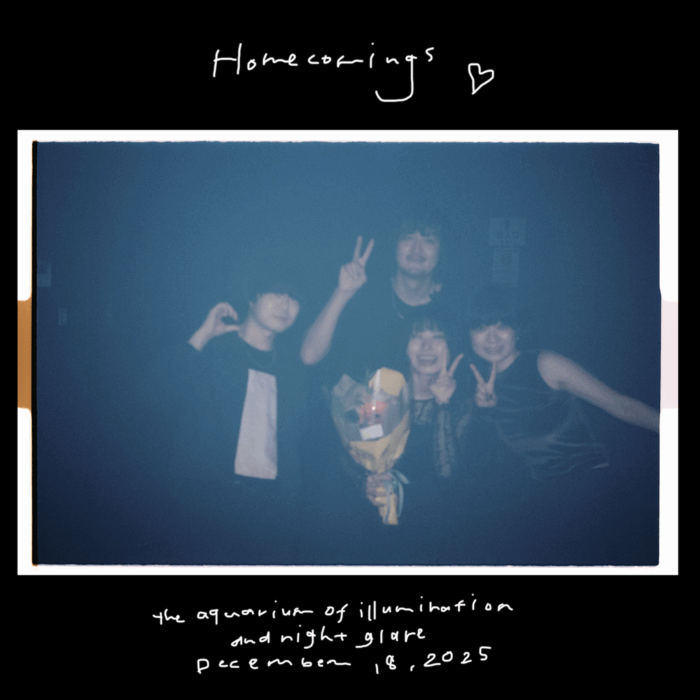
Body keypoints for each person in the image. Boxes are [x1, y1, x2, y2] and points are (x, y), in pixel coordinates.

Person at [455, 285, 660, 565]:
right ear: (469, 335)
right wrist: (484, 411)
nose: (492, 337)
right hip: (542, 504)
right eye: (481, 327)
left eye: (502, 326)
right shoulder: (473, 388)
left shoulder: (545, 363)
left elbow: (618, 404)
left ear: (517, 330)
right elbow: (475, 467)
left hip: (589, 493)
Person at [155, 270, 308, 565]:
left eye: (294, 297)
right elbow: (158, 396)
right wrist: (202, 335)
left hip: (269, 519)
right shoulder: (214, 349)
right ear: (252, 297)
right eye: (277, 291)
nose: (285, 303)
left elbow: (294, 442)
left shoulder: (293, 367)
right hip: (205, 513)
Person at [300, 317, 470, 565]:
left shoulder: (463, 402)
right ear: (405, 345)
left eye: (437, 337)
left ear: (450, 345)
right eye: (417, 336)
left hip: (429, 527)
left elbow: (447, 473)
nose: (427, 347)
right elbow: (348, 454)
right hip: (369, 523)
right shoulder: (382, 394)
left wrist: (443, 405)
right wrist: (363, 482)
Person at [301, 215, 454, 382]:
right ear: (395, 245)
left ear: (441, 250)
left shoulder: (453, 307)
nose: (416, 249)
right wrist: (342, 293)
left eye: (428, 241)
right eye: (408, 238)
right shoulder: (365, 294)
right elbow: (309, 356)